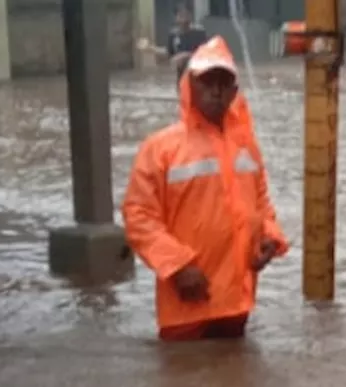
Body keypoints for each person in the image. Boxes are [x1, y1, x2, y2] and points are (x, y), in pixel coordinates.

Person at [122, 37, 288, 342]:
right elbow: (139, 216)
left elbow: (261, 202)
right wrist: (178, 267)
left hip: (237, 303)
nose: (216, 90)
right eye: (207, 81)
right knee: (184, 382)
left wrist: (269, 237)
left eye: (224, 82)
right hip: (186, 303)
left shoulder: (245, 145)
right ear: (189, 86)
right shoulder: (160, 148)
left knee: (233, 380)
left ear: (234, 91)